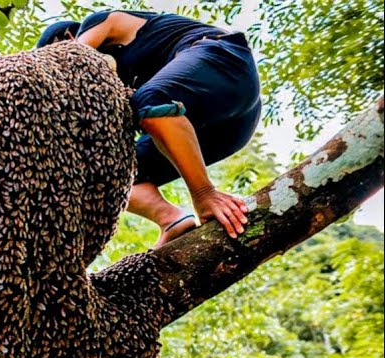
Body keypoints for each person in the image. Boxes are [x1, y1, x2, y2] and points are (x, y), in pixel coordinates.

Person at [38, 10, 262, 245]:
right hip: (213, 129)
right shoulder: (116, 84)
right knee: (105, 171)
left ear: (68, 37)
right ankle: (172, 219)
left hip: (224, 64)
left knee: (149, 100)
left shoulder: (101, 23)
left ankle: (205, 195)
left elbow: (71, 61)